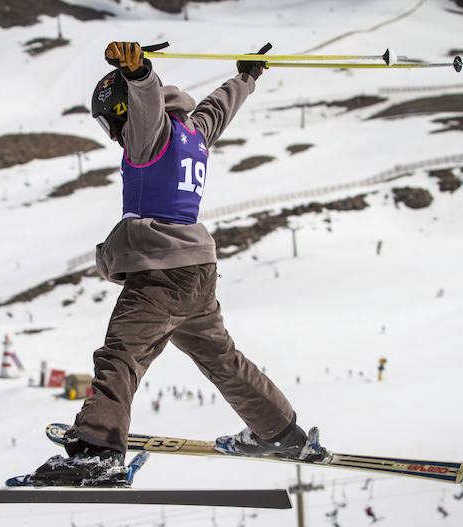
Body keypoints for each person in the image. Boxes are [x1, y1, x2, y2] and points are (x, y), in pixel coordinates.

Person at [24, 41, 329, 485]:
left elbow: (146, 104)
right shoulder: (193, 132)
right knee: (221, 358)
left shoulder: (145, 135)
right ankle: (280, 432)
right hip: (197, 272)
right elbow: (219, 108)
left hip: (160, 275)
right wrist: (246, 77)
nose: (112, 134)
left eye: (109, 122)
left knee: (121, 356)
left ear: (122, 112)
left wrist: (140, 74)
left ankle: (96, 453)